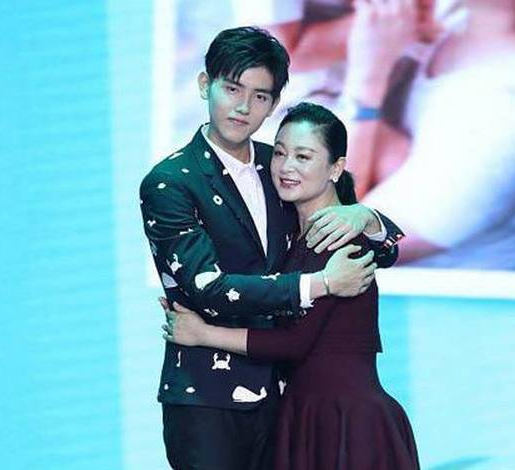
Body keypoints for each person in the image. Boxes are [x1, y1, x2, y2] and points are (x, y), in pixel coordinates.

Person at [139, 27, 404, 470]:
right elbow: (209, 288)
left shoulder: (277, 168)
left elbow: (381, 253)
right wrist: (320, 284)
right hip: (208, 398)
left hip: (283, 400)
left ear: (274, 103)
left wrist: (367, 216)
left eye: (260, 95)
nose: (243, 106)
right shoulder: (171, 183)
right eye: (232, 88)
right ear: (205, 85)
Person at [341, 0, 515, 269]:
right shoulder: (455, 20)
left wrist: (367, 83)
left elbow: (347, 247)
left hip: (417, 290)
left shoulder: (509, 114)